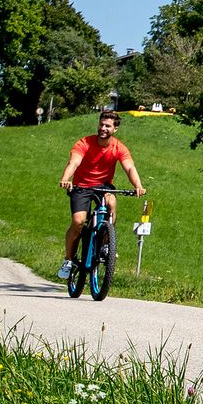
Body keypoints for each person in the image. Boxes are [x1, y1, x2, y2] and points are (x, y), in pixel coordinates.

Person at [57, 110, 146, 280]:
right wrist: (65, 178)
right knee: (78, 221)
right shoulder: (84, 143)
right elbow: (74, 162)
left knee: (111, 204)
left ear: (115, 129)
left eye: (108, 126)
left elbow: (129, 167)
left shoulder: (119, 147)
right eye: (101, 124)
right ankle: (68, 260)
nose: (103, 128)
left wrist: (138, 186)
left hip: (103, 186)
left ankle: (106, 244)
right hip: (81, 186)